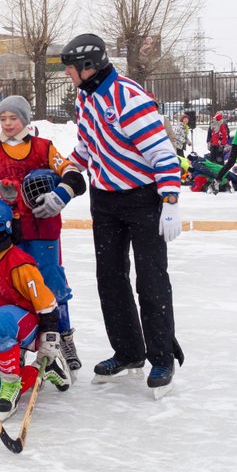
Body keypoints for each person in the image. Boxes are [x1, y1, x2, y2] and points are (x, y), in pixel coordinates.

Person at [49, 33, 184, 394]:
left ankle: (161, 358)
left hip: (142, 198)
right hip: (105, 199)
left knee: (151, 280)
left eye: (70, 70)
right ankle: (128, 352)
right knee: (110, 278)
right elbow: (85, 148)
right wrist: (66, 176)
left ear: (88, 67)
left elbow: (162, 153)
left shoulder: (129, 98)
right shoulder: (85, 97)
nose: (68, 76)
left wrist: (169, 202)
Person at [0, 95, 86, 372]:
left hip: (43, 228)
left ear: (25, 120)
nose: (7, 123)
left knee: (51, 283)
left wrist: (61, 193)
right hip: (9, 232)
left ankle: (63, 336)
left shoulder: (43, 147)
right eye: (3, 118)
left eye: (13, 118)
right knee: (14, 286)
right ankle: (17, 343)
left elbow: (70, 171)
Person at [0, 200, 71, 418]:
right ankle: (41, 371)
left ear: (2, 229)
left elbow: (46, 303)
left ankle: (11, 382)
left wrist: (49, 340)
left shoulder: (19, 263)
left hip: (25, 326)